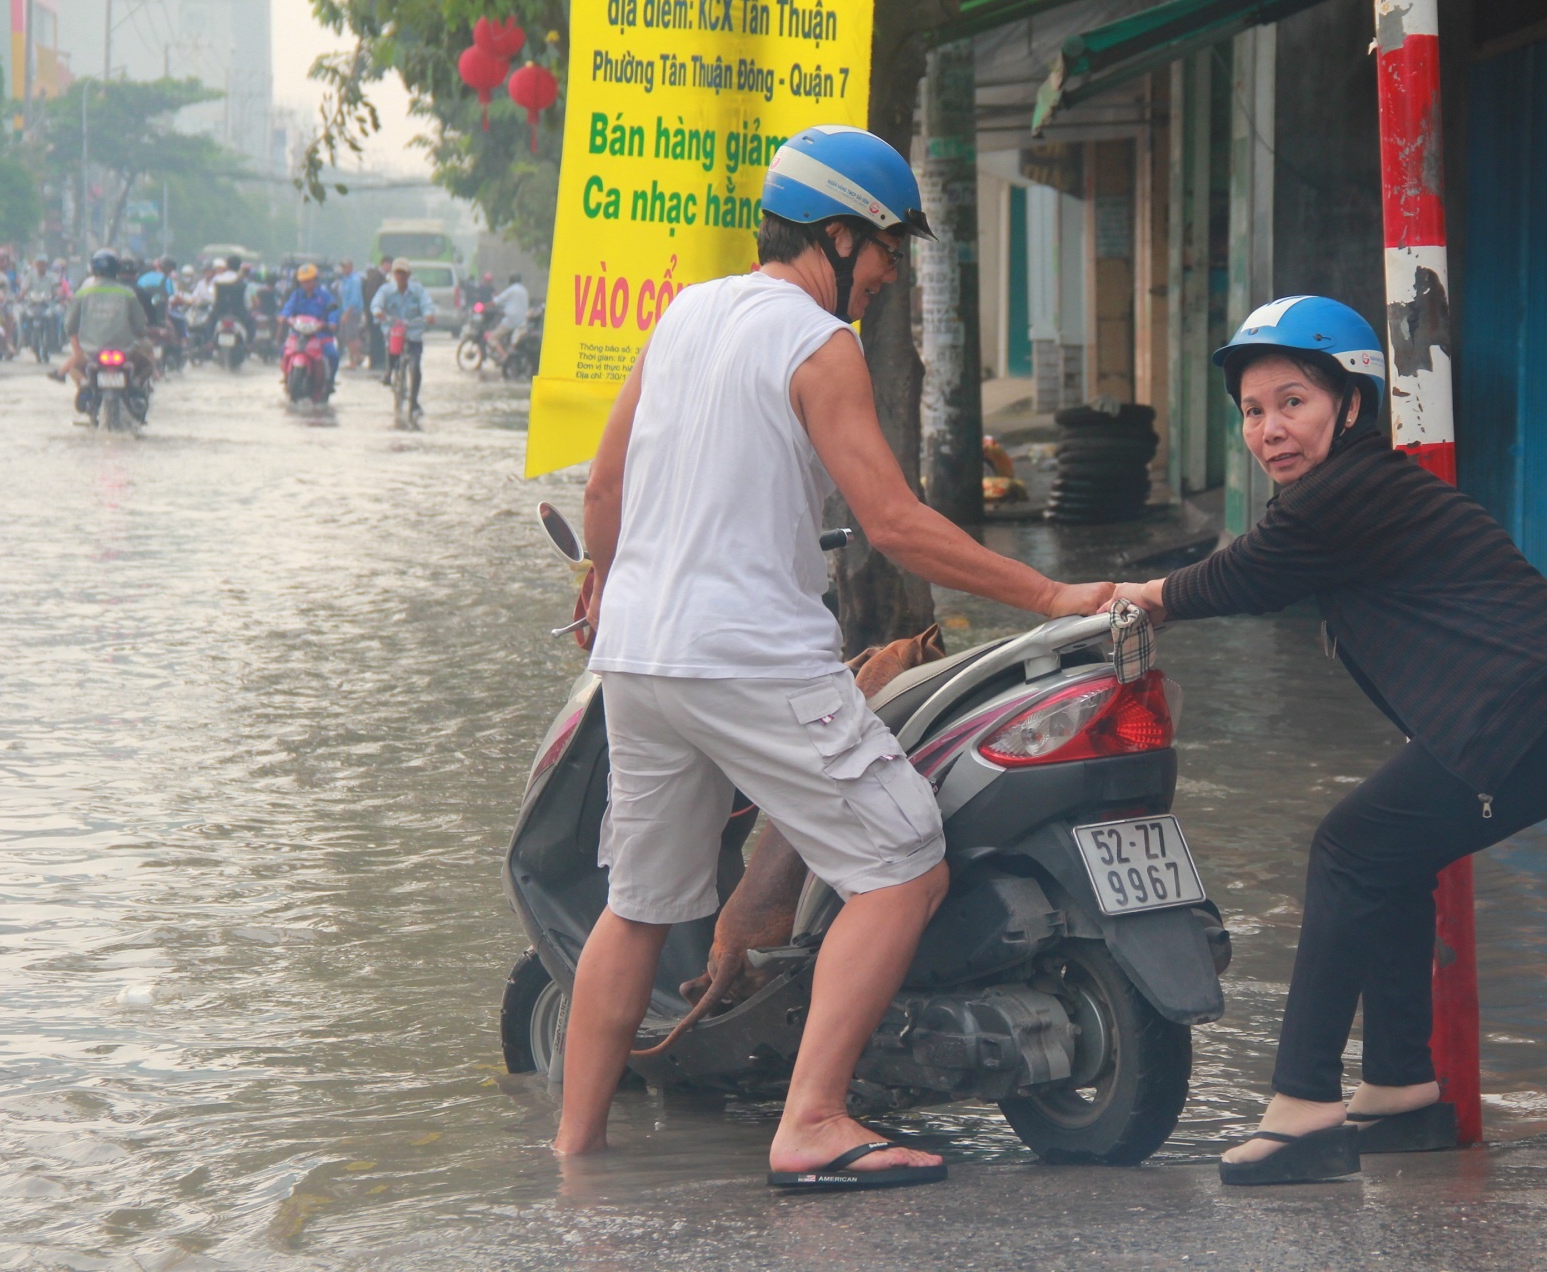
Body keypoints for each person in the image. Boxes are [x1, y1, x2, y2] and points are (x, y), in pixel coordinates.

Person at [556, 125, 1111, 1189]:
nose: (892, 274)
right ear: (840, 237)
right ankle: (811, 1117)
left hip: (637, 656)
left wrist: (598, 579)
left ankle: (573, 1159)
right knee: (904, 861)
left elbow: (602, 490)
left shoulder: (682, 314)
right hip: (750, 655)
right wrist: (1054, 593)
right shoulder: (819, 341)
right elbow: (895, 523)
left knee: (636, 901)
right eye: (889, 249)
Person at [1105, 295, 1547, 1186]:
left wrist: (1104, 600)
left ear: (1351, 405)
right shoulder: (1350, 495)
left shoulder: (1344, 495)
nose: (1271, 429)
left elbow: (1229, 580)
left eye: (1293, 403)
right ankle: (1399, 1091)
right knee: (1385, 854)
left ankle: (1305, 1110)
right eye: (1253, 412)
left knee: (1348, 848)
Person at [57, 248, 150, 405]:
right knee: (147, 366)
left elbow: (70, 325)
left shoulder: (82, 293)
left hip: (91, 351)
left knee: (74, 367)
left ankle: (85, 383)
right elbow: (140, 325)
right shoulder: (128, 293)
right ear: (117, 269)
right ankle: (134, 384)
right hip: (125, 350)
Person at [370, 257, 435, 416]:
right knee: (392, 353)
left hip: (413, 332)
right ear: (393, 274)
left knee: (416, 367)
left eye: (404, 273)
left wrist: (429, 315)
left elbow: (426, 304)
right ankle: (389, 372)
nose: (401, 277)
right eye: (398, 273)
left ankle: (414, 402)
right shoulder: (386, 290)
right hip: (394, 332)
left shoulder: (417, 290)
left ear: (409, 275)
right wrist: (379, 312)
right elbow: (376, 303)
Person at [279, 262, 342, 386]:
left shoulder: (325, 296)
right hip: (299, 334)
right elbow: (288, 308)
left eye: (309, 281)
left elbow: (333, 311)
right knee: (283, 350)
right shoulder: (296, 295)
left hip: (321, 334)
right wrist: (284, 316)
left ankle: (330, 381)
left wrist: (332, 322)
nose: (306, 284)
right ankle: (286, 375)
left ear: (315, 280)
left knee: (332, 355)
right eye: (303, 281)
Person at [487, 273, 530, 364]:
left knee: (492, 337)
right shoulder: (524, 290)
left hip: (511, 320)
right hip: (523, 321)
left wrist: (484, 306)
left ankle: (503, 355)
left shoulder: (511, 290)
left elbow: (497, 301)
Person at [362, 255, 393, 371]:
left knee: (379, 336)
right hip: (374, 312)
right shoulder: (375, 276)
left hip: (377, 312)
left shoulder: (380, 276)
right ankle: (376, 361)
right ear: (385, 264)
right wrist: (375, 310)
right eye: (390, 265)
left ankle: (379, 360)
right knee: (376, 336)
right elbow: (371, 294)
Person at [335, 259, 366, 367]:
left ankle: (352, 361)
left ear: (351, 267)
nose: (344, 269)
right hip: (345, 311)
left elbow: (354, 299)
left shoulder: (355, 280)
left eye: (346, 267)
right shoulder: (344, 280)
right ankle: (358, 356)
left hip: (353, 312)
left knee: (350, 337)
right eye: (343, 267)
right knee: (346, 336)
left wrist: (347, 314)